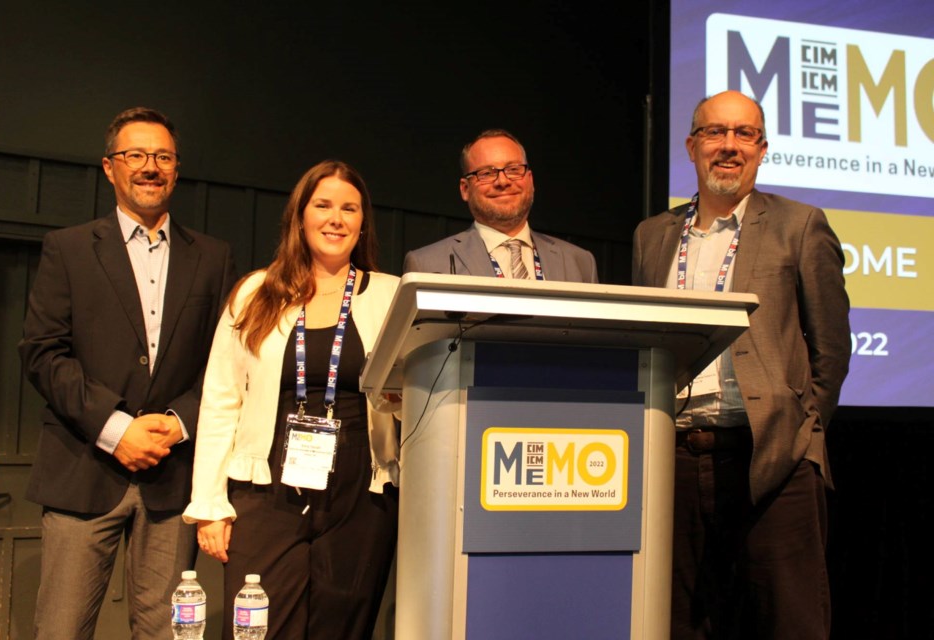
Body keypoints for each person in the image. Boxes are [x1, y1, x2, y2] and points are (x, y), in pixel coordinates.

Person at [632, 90, 850, 639]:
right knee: (676, 620)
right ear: (691, 146)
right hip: (674, 455)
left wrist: (802, 430)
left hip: (772, 459)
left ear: (762, 149)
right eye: (715, 132)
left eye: (744, 134)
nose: (729, 146)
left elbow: (831, 347)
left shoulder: (800, 225)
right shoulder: (652, 235)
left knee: (788, 622)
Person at [18, 107, 236, 639]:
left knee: (166, 633)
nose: (149, 167)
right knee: (62, 630)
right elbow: (43, 353)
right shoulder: (67, 249)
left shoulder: (212, 257)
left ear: (177, 169)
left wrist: (177, 421)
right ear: (109, 167)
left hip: (171, 476)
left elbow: (225, 362)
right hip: (82, 471)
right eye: (135, 155)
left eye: (162, 156)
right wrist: (117, 429)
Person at [183, 160, 400, 640]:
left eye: (350, 208)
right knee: (258, 628)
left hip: (361, 493)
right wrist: (210, 503)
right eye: (323, 205)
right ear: (299, 216)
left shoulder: (391, 295)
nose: (336, 219)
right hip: (266, 488)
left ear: (363, 222)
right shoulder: (255, 293)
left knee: (341, 628)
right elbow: (221, 401)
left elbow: (414, 394)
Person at [403, 128, 598, 282]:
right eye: (487, 173)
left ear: (530, 180)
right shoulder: (426, 264)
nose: (503, 181)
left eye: (513, 169)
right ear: (465, 189)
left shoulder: (580, 263)